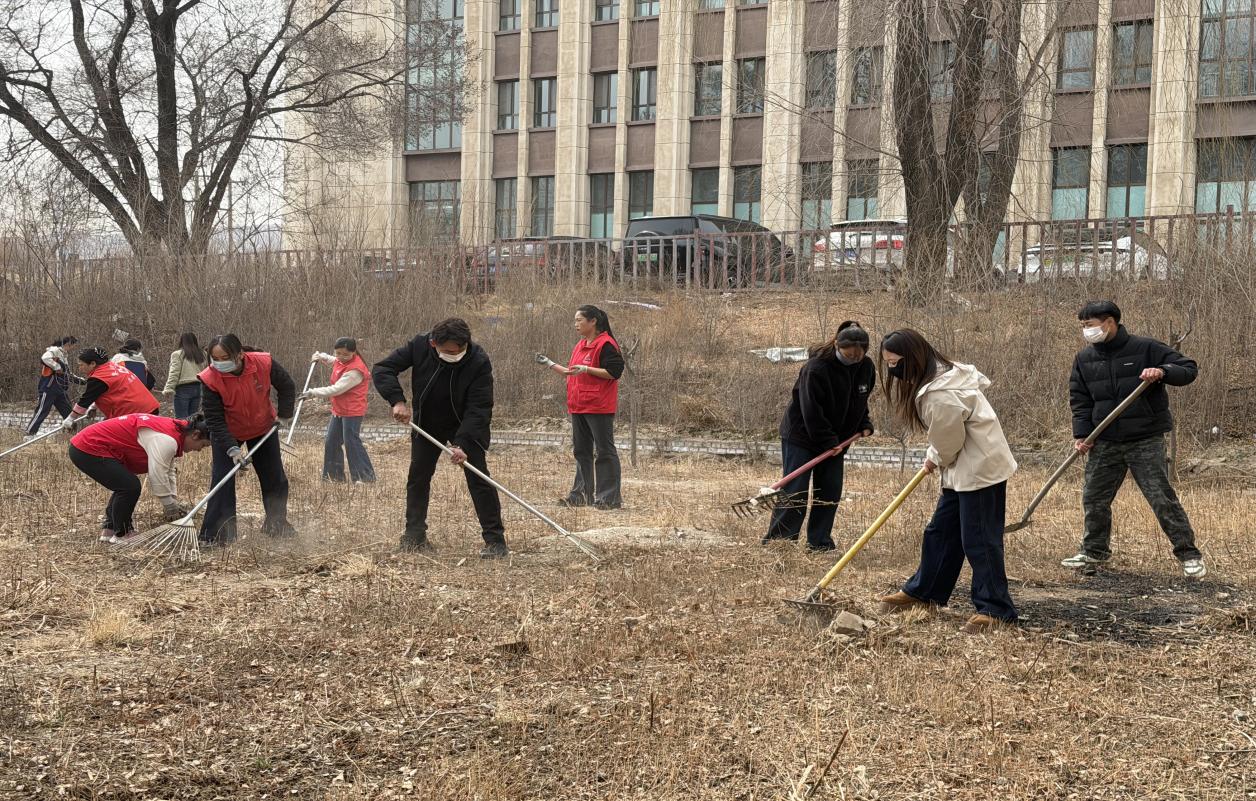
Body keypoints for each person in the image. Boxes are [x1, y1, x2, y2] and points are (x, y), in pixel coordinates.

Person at [876, 329, 1018, 634]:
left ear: (912, 358)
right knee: (941, 532)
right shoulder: (940, 377)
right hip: (962, 469)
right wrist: (937, 454)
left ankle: (996, 610)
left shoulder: (941, 392)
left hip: (979, 470)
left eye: (895, 363)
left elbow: (948, 440)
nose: (892, 370)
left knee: (979, 540)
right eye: (887, 364)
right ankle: (924, 592)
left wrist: (936, 456)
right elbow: (946, 435)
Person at [1061, 301, 1205, 578]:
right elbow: (1080, 399)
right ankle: (1094, 551)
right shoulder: (1084, 359)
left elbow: (1188, 368)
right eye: (1083, 326)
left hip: (1144, 438)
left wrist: (1162, 371)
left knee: (1160, 498)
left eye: (1089, 325)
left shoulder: (1145, 348)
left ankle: (1189, 555)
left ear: (1109, 322)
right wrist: (1082, 435)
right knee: (1094, 497)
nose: (1086, 331)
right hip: (1104, 440)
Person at [372, 317, 509, 558]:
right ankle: (414, 536)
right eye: (448, 352)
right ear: (434, 344)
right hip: (428, 423)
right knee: (418, 477)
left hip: (465, 425)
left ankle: (495, 541)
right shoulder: (419, 345)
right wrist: (397, 401)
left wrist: (463, 443)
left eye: (459, 351)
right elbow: (383, 369)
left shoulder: (478, 360)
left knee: (479, 478)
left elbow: (480, 407)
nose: (454, 355)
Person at [762, 321, 875, 551]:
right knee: (796, 490)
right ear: (837, 345)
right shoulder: (816, 368)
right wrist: (828, 442)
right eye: (848, 355)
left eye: (858, 356)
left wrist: (864, 423)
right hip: (802, 436)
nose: (854, 360)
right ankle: (781, 542)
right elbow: (811, 411)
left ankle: (819, 543)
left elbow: (860, 399)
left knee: (830, 490)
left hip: (836, 440)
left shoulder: (866, 367)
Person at [197, 334, 297, 544]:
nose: (220, 363)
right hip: (228, 431)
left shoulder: (263, 363)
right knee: (222, 480)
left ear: (240, 354)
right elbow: (214, 418)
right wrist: (232, 449)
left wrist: (284, 415)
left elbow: (287, 385)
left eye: (225, 357)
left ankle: (276, 525)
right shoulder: (210, 378)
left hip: (263, 427)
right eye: (215, 359)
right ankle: (218, 535)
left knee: (274, 478)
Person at [68, 412, 211, 543]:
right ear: (195, 434)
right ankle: (122, 534)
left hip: (86, 445)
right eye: (203, 445)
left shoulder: (173, 432)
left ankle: (110, 529)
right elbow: (157, 475)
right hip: (89, 446)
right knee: (129, 487)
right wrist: (169, 506)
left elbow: (168, 471)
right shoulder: (167, 440)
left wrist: (172, 502)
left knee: (124, 485)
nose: (199, 450)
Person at [538, 305, 625, 509]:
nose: (576, 324)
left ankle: (609, 498)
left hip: (598, 406)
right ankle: (581, 495)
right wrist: (549, 363)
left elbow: (614, 372)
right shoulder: (580, 345)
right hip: (578, 405)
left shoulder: (606, 344)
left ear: (593, 321)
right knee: (581, 451)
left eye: (579, 320)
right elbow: (571, 372)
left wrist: (587, 368)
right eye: (575, 320)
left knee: (604, 451)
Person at [304, 337, 376, 483]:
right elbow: (333, 360)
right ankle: (334, 477)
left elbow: (336, 389)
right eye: (338, 353)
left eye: (345, 354)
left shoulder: (356, 371)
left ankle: (365, 477)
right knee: (331, 441)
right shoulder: (341, 360)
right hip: (339, 409)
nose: (341, 357)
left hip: (352, 411)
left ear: (353, 352)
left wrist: (312, 392)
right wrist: (321, 356)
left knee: (351, 443)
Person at [64, 347, 161, 426]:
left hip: (137, 413)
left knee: (111, 438)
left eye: (81, 365)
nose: (79, 368)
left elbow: (85, 400)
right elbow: (106, 391)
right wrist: (94, 407)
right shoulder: (112, 367)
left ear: (93, 364)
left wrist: (70, 418)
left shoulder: (99, 377)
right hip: (148, 408)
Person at [26, 336, 82, 436]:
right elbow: (45, 358)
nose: (72, 348)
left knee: (69, 413)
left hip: (60, 390)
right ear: (68, 344)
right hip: (49, 388)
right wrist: (57, 367)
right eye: (72, 346)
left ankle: (73, 436)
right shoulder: (54, 350)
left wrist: (80, 380)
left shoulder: (64, 356)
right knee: (42, 411)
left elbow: (66, 374)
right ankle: (29, 434)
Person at [163, 333, 205, 418]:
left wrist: (168, 388)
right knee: (193, 418)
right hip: (198, 387)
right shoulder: (202, 354)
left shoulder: (177, 354)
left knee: (181, 419)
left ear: (181, 341)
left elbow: (174, 372)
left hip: (183, 388)